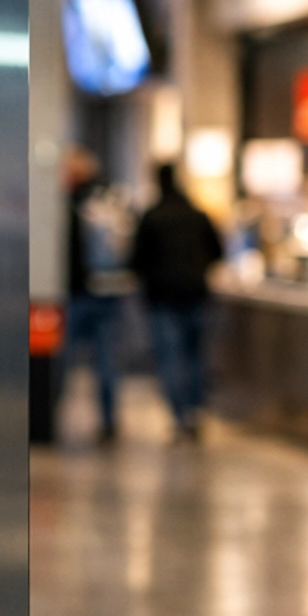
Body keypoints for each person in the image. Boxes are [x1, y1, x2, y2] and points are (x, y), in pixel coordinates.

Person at [131, 161, 224, 438]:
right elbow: (218, 251)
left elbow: (137, 260)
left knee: (169, 357)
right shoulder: (197, 214)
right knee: (195, 355)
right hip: (196, 293)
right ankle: (195, 410)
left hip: (161, 297)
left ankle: (179, 414)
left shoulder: (151, 217)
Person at [64, 146, 132, 443]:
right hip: (109, 290)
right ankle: (108, 420)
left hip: (77, 292)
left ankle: (48, 419)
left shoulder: (70, 201)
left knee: (63, 360)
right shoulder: (112, 199)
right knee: (107, 361)